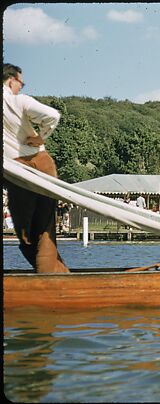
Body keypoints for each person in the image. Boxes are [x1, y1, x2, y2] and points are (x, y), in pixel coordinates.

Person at [3, 63, 69, 273]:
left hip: (18, 169)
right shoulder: (18, 100)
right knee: (44, 227)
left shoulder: (17, 100)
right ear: (11, 79)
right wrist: (42, 136)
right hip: (39, 163)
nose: (21, 87)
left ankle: (51, 277)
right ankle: (55, 275)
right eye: (21, 83)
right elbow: (53, 116)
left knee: (25, 232)